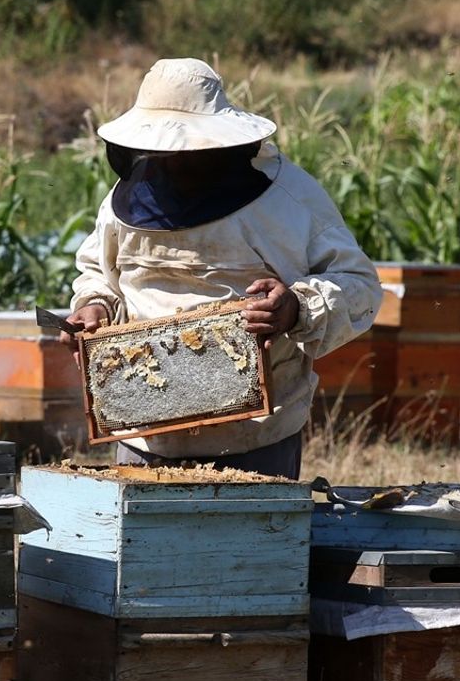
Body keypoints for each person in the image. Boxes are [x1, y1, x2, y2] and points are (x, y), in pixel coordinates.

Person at [60, 58, 383, 479]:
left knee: (244, 544)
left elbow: (358, 285)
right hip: (142, 429)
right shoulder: (124, 201)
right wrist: (95, 306)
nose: (174, 162)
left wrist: (295, 309)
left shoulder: (288, 198)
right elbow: (99, 273)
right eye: (163, 151)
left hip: (254, 436)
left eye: (186, 151)